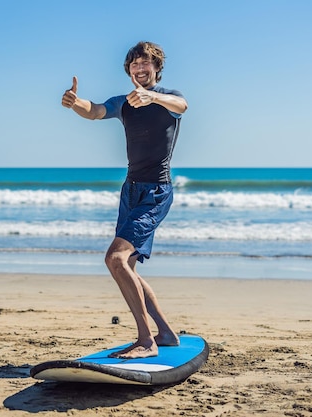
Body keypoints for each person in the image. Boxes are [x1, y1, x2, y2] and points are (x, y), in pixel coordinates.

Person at [61, 41, 188, 359]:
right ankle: (166, 333)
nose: (139, 67)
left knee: (115, 260)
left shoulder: (168, 98)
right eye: (134, 63)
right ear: (129, 70)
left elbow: (182, 107)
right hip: (130, 191)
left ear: (156, 68)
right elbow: (96, 111)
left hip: (156, 191)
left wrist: (153, 96)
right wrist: (76, 102)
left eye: (145, 63)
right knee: (126, 266)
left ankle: (146, 341)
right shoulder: (124, 103)